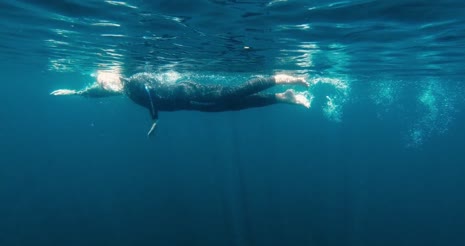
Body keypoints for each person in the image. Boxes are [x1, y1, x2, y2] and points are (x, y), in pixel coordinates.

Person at [51, 72, 312, 136]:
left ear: (114, 77)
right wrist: (73, 92)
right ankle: (282, 98)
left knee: (226, 95)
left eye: (108, 83)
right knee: (222, 107)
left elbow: (151, 97)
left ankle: (279, 78)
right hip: (185, 103)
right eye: (105, 85)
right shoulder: (116, 88)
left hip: (187, 90)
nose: (109, 87)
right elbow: (95, 93)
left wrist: (154, 120)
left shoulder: (133, 81)